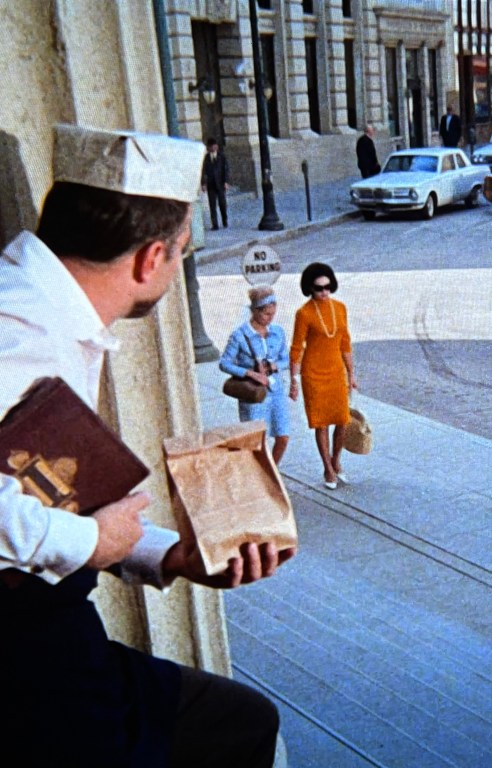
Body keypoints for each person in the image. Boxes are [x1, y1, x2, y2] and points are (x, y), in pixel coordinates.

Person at [1, 125, 293, 767]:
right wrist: (91, 542)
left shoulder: (48, 312)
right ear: (149, 258)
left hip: (50, 637)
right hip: (24, 662)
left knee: (243, 722)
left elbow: (46, 499)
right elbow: (68, 531)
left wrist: (174, 557)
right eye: (182, 252)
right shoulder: (16, 329)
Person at [290, 263, 357, 490]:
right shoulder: (304, 313)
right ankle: (327, 467)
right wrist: (294, 379)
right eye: (319, 288)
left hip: (336, 371)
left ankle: (336, 460)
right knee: (321, 423)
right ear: (310, 288)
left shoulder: (340, 308)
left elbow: (345, 343)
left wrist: (351, 373)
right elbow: (297, 347)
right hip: (313, 374)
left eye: (328, 287)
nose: (324, 292)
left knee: (342, 419)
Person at [219, 286, 291, 464]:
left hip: (276, 390)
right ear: (255, 311)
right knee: (256, 440)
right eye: (266, 314)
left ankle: (272, 469)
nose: (270, 318)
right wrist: (250, 373)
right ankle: (258, 471)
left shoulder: (277, 332)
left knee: (283, 437)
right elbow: (224, 363)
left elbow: (286, 359)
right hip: (254, 393)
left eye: (273, 313)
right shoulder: (240, 335)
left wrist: (274, 365)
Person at [201, 137, 229, 230]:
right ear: (208, 148)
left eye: (214, 146)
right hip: (211, 184)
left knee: (222, 203)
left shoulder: (222, 156)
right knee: (212, 205)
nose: (213, 148)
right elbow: (203, 171)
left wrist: (226, 181)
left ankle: (224, 220)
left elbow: (225, 170)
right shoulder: (206, 158)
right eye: (211, 146)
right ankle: (215, 224)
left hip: (220, 183)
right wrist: (203, 183)